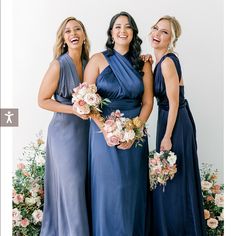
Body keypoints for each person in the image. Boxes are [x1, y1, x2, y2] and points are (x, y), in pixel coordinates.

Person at [84, 11, 153, 236]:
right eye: (117, 26)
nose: (122, 30)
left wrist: (134, 130)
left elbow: (147, 103)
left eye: (127, 27)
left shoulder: (144, 64)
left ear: (133, 33)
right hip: (102, 134)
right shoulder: (97, 59)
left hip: (135, 133)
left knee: (130, 191)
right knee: (109, 190)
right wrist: (105, 129)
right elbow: (86, 101)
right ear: (111, 33)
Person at [149, 16, 206, 235]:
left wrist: (167, 136)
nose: (157, 34)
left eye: (164, 32)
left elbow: (174, 103)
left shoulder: (169, 62)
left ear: (171, 39)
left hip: (175, 123)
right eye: (156, 28)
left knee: (175, 179)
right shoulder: (160, 61)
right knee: (168, 179)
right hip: (168, 120)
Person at [38, 17, 90, 236]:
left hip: (87, 134)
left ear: (84, 35)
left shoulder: (90, 63)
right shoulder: (58, 64)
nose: (73, 33)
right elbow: (42, 100)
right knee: (72, 186)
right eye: (68, 31)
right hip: (64, 135)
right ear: (63, 38)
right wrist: (74, 109)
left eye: (77, 29)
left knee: (84, 185)